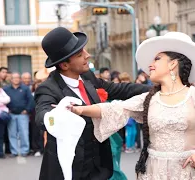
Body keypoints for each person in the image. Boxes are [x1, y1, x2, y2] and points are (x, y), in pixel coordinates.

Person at [63, 32, 195, 179]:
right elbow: (113, 109)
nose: (151, 64)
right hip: (152, 172)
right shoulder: (150, 98)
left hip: (186, 172)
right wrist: (78, 109)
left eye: (157, 58)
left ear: (173, 64)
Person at [34, 27, 150, 180]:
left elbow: (120, 89)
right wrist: (54, 116)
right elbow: (43, 115)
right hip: (69, 170)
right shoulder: (48, 88)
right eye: (80, 54)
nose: (87, 56)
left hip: (99, 168)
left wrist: (157, 88)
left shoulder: (88, 76)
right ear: (65, 65)